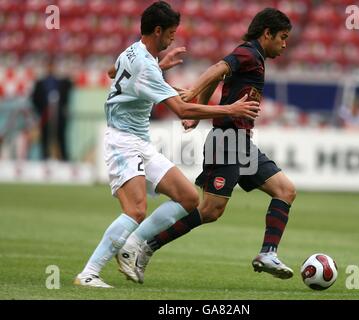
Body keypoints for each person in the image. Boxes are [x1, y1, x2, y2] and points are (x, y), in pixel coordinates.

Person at [74, 1, 259, 288]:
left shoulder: (133, 51)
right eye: (171, 32)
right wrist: (230, 110)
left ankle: (131, 245)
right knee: (135, 210)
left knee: (188, 198)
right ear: (157, 31)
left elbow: (114, 73)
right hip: (122, 142)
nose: (173, 37)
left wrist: (160, 67)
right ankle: (88, 273)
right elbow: (183, 111)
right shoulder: (145, 64)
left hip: (139, 141)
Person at [118, 8, 296, 284]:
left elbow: (220, 79)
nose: (284, 44)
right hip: (226, 141)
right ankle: (146, 246)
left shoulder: (255, 58)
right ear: (267, 33)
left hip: (242, 142)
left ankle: (267, 253)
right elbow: (217, 69)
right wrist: (191, 93)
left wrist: (199, 99)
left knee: (285, 190)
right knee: (210, 210)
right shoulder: (248, 52)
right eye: (282, 37)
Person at [31, 59, 73, 161]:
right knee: (45, 138)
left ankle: (64, 159)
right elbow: (34, 99)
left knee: (61, 138)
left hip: (59, 117)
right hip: (45, 116)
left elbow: (70, 85)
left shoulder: (61, 82)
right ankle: (44, 158)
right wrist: (41, 111)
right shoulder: (40, 83)